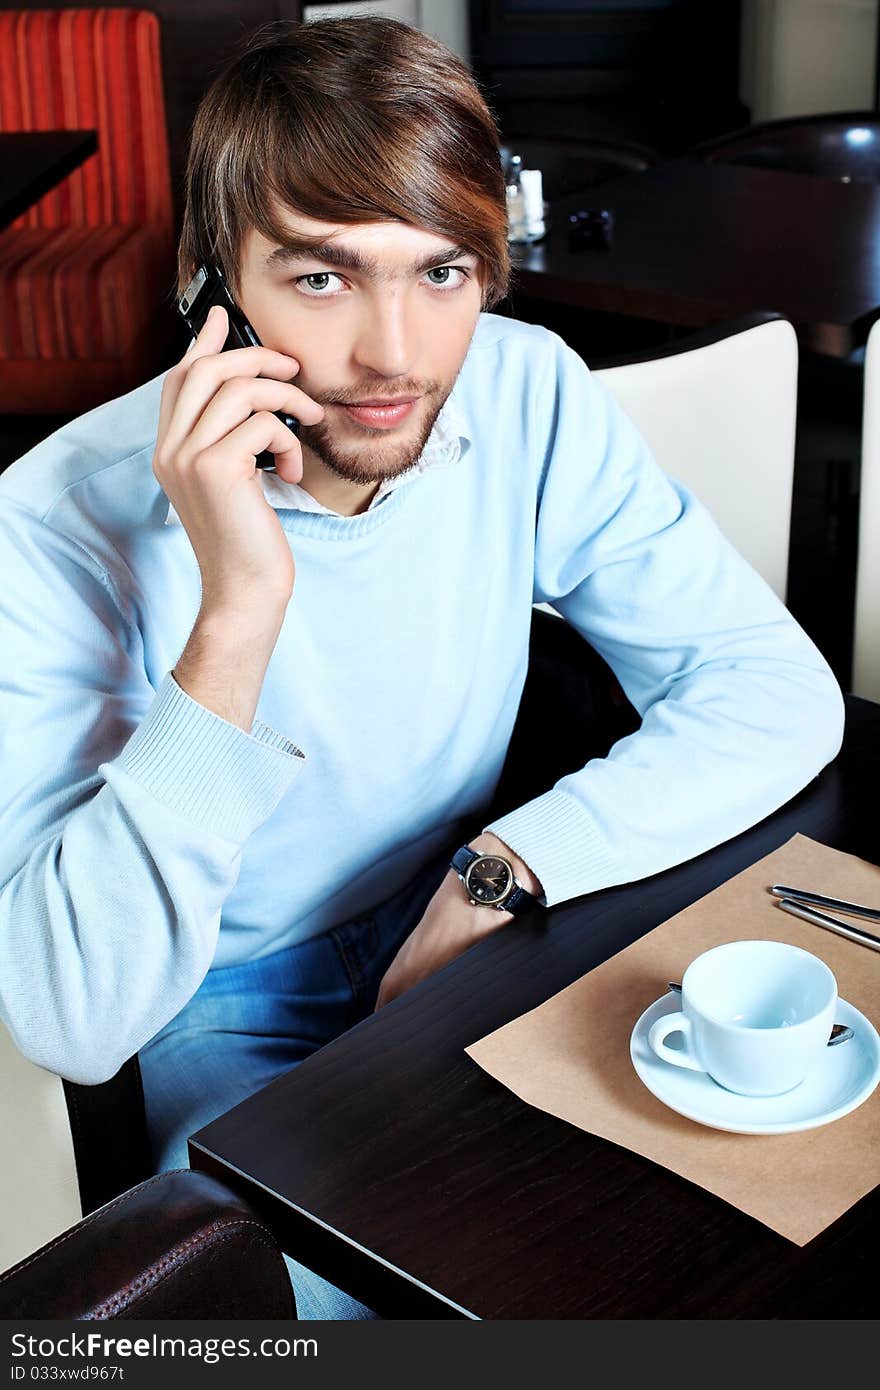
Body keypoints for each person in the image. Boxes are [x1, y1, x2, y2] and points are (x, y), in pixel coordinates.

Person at [0, 16, 844, 1319]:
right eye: (324, 277)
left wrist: (505, 868)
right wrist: (238, 607)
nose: (396, 352)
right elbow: (72, 1015)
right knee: (282, 1300)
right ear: (214, 281)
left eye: (441, 270)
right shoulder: (50, 521)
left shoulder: (525, 393)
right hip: (223, 1008)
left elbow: (775, 689)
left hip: (479, 919)